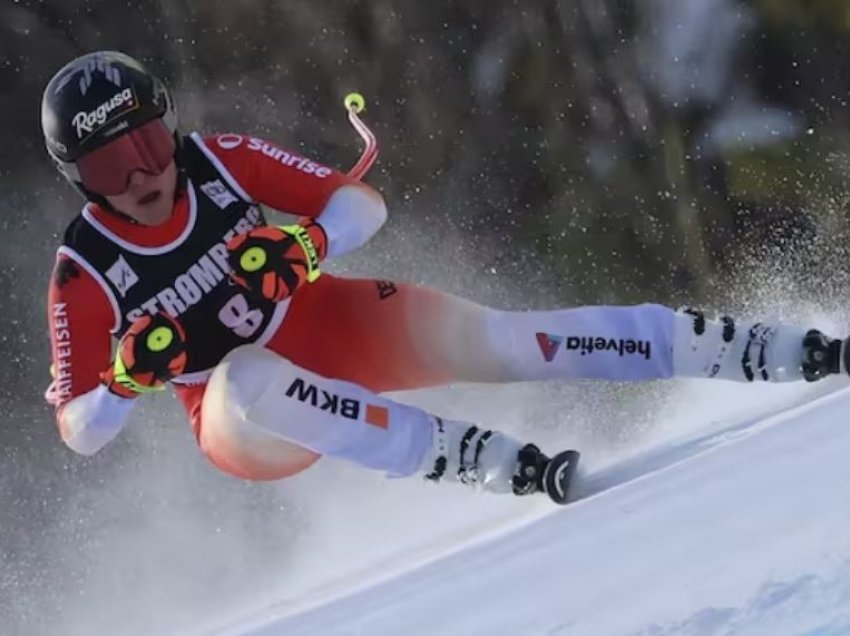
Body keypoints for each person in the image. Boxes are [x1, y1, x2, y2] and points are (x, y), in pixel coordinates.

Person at [42, 51, 849, 504]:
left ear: (170, 127)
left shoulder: (219, 160)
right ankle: (482, 460)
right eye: (113, 163)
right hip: (242, 419)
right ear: (80, 179)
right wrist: (120, 380)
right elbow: (81, 431)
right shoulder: (83, 272)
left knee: (504, 340)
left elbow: (363, 206)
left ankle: (771, 350)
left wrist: (307, 246)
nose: (143, 173)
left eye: (148, 143)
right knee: (250, 374)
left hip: (329, 321)